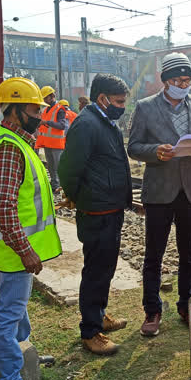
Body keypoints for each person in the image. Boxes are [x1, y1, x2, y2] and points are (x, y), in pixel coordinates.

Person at [0, 77, 62, 380]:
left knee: (18, 310)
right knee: (9, 314)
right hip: (14, 250)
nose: (39, 114)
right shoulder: (11, 147)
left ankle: (25, 355)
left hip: (12, 248)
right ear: (12, 111)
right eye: (33, 108)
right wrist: (25, 251)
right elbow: (4, 208)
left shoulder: (16, 141)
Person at [127, 52, 191, 337]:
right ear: (165, 81)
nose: (183, 84)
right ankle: (152, 310)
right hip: (159, 191)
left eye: (187, 79)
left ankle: (186, 304)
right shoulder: (145, 107)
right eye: (178, 79)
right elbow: (134, 146)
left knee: (190, 254)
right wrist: (156, 152)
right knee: (154, 254)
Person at [58, 74, 132, 355]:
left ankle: (99, 315)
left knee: (105, 268)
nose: (122, 107)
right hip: (96, 211)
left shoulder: (104, 121)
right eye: (119, 102)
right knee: (96, 272)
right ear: (102, 99)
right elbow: (68, 169)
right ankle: (90, 331)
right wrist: (79, 198)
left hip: (109, 209)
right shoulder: (87, 124)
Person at [35, 86, 70, 193]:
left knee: (58, 167)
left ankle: (62, 186)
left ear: (52, 96)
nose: (44, 100)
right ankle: (55, 185)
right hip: (47, 143)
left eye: (46, 98)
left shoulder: (60, 109)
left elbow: (62, 125)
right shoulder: (46, 110)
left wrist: (46, 123)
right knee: (51, 167)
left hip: (57, 144)